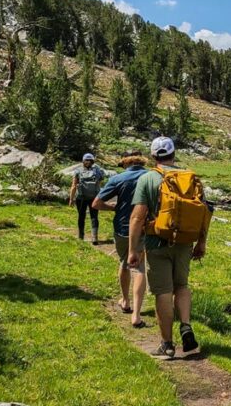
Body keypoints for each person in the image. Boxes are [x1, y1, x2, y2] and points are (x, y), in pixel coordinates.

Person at [128, 137, 209, 359]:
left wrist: (132, 250)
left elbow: (137, 217)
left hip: (157, 243)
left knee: (163, 292)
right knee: (181, 285)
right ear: (174, 154)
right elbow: (204, 212)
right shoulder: (189, 178)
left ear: (153, 157)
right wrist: (201, 242)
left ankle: (167, 344)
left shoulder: (147, 178)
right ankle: (185, 325)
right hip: (184, 242)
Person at [93, 151, 148, 328]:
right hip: (145, 228)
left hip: (122, 228)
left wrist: (113, 208)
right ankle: (137, 314)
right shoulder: (152, 176)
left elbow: (96, 204)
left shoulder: (118, 179)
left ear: (125, 164)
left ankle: (125, 301)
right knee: (140, 268)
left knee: (124, 261)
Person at [68, 153, 104, 244]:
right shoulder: (97, 171)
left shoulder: (78, 171)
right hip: (94, 197)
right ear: (93, 161)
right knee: (94, 217)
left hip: (81, 198)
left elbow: (73, 186)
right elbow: (99, 185)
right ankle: (94, 237)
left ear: (83, 160)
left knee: (81, 216)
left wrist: (71, 199)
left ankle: (81, 237)